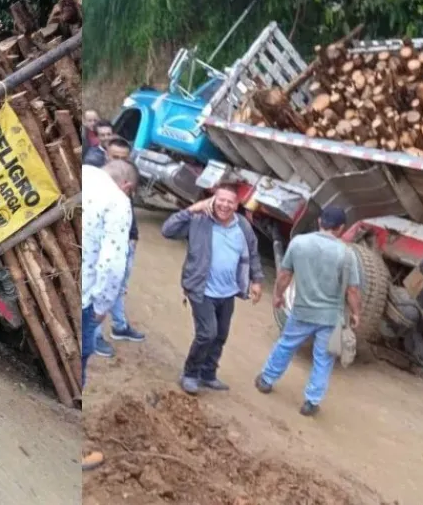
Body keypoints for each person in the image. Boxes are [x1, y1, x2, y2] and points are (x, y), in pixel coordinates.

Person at [254, 206, 362, 417]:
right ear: (341, 228)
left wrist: (277, 295)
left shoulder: (299, 243)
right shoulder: (347, 255)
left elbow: (285, 275)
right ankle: (311, 402)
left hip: (302, 311)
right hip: (331, 318)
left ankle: (266, 380)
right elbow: (352, 290)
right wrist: (356, 313)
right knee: (323, 359)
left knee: (285, 345)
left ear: (320, 221)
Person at [161, 185, 264, 395]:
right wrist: (192, 209)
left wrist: (256, 280)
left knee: (220, 335)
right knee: (207, 333)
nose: (225, 205)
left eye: (230, 202)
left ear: (237, 205)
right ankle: (190, 374)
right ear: (213, 200)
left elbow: (252, 253)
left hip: (228, 292)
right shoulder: (199, 220)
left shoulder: (242, 225)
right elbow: (167, 231)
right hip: (201, 289)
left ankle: (208, 374)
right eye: (221, 200)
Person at [81, 159, 138, 472]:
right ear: (127, 185)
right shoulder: (118, 201)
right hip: (84, 295)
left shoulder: (84, 173)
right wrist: (102, 306)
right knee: (80, 363)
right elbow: (113, 261)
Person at [93, 138, 146, 358]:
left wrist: (133, 236)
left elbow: (129, 212)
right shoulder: (98, 183)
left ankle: (119, 325)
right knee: (102, 288)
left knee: (119, 287)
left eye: (125, 158)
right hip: (107, 246)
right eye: (116, 157)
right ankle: (94, 336)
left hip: (126, 242)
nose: (120, 162)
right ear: (106, 155)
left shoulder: (126, 178)